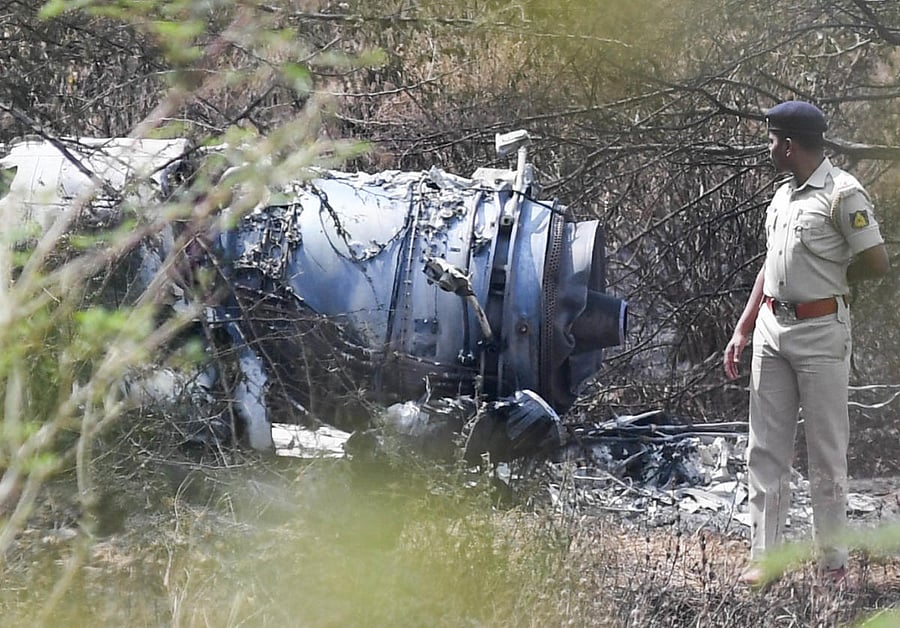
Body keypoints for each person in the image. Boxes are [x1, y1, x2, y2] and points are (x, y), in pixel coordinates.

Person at [723, 100, 889, 586]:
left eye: (772, 139)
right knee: (766, 449)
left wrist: (834, 280)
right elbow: (769, 266)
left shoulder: (842, 195)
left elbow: (876, 260)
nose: (769, 147)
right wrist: (744, 325)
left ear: (790, 145)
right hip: (773, 330)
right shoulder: (783, 196)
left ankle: (833, 563)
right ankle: (765, 557)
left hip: (821, 334)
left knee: (826, 450)